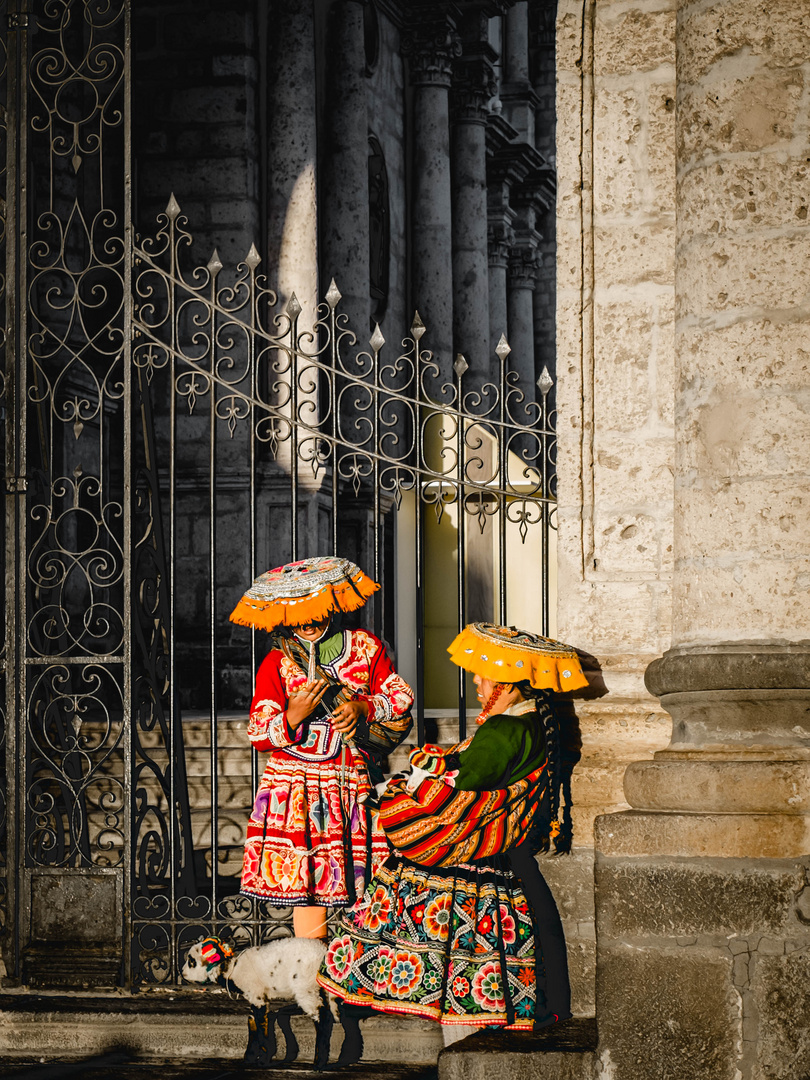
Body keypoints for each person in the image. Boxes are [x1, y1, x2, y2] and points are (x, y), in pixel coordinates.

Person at [316, 621, 587, 1043]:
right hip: (505, 862)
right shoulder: (535, 727)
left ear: (512, 687)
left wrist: (406, 787)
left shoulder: (505, 730)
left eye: (487, 676)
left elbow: (463, 788)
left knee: (449, 962)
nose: (477, 682)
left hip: (467, 860)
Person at [229, 556, 414, 940]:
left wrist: (364, 707)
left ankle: (353, 968)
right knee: (309, 882)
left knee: (360, 877)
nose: (308, 620)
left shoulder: (364, 647)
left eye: (314, 609)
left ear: (330, 603)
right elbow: (259, 732)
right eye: (297, 613)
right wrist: (293, 714)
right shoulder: (277, 663)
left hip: (350, 778)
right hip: (295, 788)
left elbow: (398, 694)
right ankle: (312, 975)